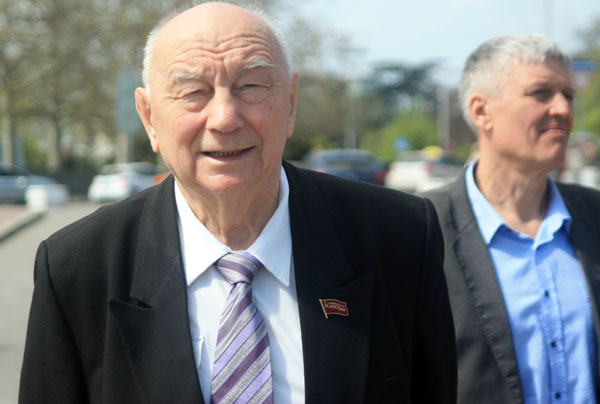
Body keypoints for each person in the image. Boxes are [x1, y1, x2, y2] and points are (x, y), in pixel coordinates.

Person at [18, 2, 456, 403]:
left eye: (251, 85)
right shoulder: (78, 268)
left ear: (290, 102)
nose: (225, 117)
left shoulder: (399, 238)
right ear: (149, 117)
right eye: (193, 91)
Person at [424, 34, 600, 404]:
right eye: (541, 93)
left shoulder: (594, 216)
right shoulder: (421, 230)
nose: (562, 109)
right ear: (481, 111)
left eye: (568, 95)